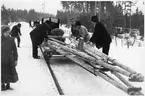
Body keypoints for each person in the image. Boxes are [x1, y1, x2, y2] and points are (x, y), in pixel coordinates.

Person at [1, 25, 18, 91]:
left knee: (10, 71)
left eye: (9, 32)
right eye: (6, 32)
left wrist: (16, 59)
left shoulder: (11, 39)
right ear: (2, 32)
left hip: (10, 58)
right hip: (2, 58)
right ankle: (2, 85)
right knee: (3, 71)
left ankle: (8, 85)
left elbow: (15, 50)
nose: (8, 34)